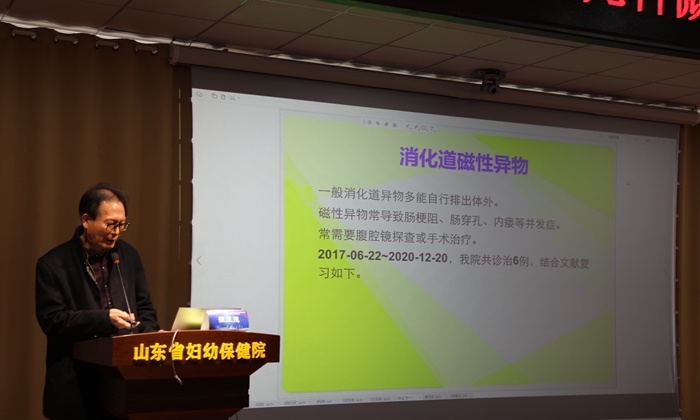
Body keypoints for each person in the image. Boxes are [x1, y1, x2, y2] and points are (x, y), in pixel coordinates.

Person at [35, 183, 160, 420]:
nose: (116, 232)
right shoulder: (53, 264)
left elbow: (144, 308)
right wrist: (104, 319)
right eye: (110, 224)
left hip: (123, 381)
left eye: (122, 225)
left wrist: (151, 338)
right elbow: (52, 320)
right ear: (86, 220)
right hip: (76, 382)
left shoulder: (129, 255)